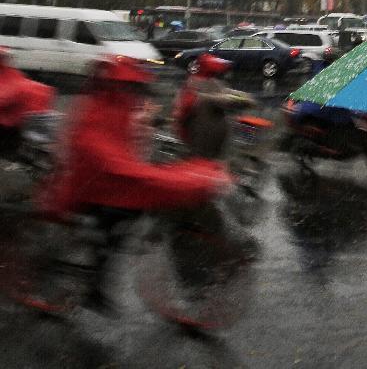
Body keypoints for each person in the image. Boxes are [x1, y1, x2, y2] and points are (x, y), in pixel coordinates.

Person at [38, 56, 233, 313]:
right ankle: (94, 285)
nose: (133, 94)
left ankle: (96, 271)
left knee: (124, 221)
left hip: (115, 180)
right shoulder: (98, 113)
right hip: (94, 184)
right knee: (112, 224)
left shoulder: (118, 107)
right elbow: (106, 156)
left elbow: (130, 145)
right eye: (129, 88)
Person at [172, 53, 254, 158]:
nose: (219, 77)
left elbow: (227, 92)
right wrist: (232, 99)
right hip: (198, 137)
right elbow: (216, 99)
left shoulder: (214, 82)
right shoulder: (195, 85)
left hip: (214, 141)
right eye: (215, 73)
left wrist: (242, 97)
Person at [0, 47, 55, 158]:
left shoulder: (10, 74)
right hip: (20, 116)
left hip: (11, 119)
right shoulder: (13, 73)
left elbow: (9, 94)